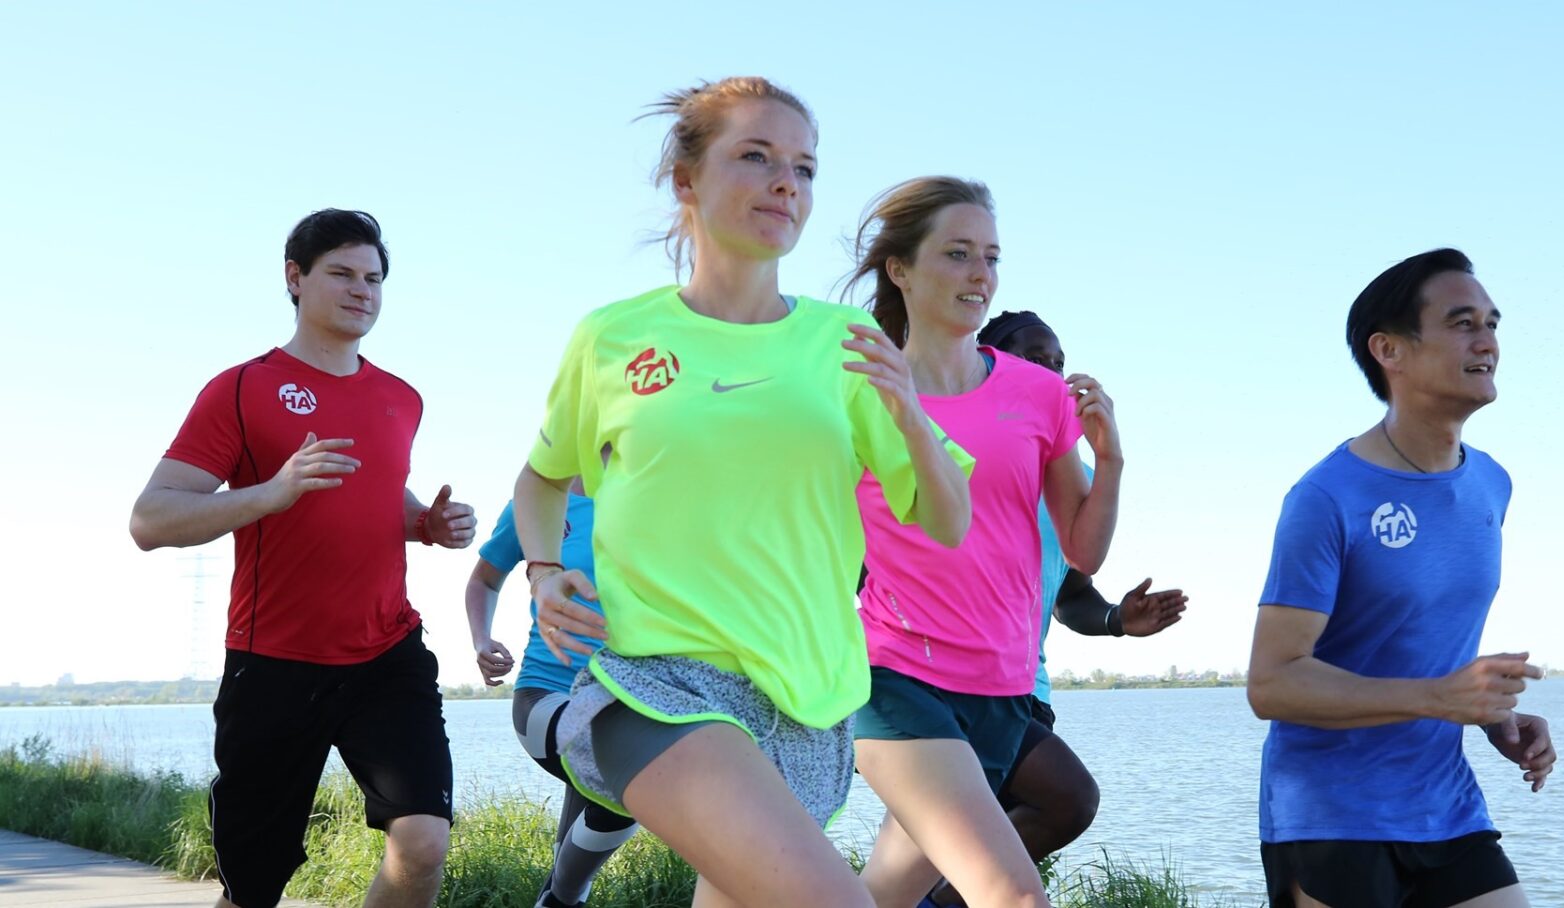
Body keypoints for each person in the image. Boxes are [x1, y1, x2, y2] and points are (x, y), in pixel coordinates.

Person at [513, 77, 973, 908]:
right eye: (756, 157)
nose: (785, 183)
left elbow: (947, 520)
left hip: (808, 702)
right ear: (686, 180)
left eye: (804, 167)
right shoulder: (613, 336)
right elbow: (542, 479)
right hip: (656, 682)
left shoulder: (846, 341)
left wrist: (909, 415)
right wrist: (543, 572)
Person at [129, 209, 476, 908]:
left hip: (387, 654)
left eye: (373, 278)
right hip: (275, 663)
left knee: (423, 843)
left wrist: (425, 524)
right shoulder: (241, 388)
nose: (362, 291)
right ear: (295, 277)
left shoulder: (400, 398)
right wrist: (271, 492)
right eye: (342, 274)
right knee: (252, 889)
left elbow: (372, 493)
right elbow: (150, 519)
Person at [1246, 249, 1557, 908]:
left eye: (1492, 324)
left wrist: (1487, 715)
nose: (1487, 342)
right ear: (1389, 350)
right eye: (1462, 323)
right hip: (1332, 818)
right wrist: (1438, 697)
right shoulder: (1325, 498)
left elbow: (1412, 642)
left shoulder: (1491, 483)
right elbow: (1272, 683)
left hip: (1446, 807)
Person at [845, 177, 1122, 908]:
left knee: (884, 894)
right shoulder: (860, 389)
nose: (980, 275)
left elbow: (1083, 553)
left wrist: (1112, 459)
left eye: (991, 257)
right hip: (895, 675)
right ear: (901, 269)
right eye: (958, 253)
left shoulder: (1038, 394)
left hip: (1002, 687)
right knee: (1013, 895)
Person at [887, 311, 1183, 908]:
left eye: (1058, 362)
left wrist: (1117, 620)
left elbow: (1070, 592)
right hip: (929, 681)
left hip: (1022, 690)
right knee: (1067, 799)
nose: (1051, 372)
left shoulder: (1074, 470)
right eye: (1033, 357)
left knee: (927, 865)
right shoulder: (954, 445)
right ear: (989, 364)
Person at [463, 454, 637, 908]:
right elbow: (484, 580)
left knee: (589, 821)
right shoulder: (538, 501)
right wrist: (482, 639)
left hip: (624, 702)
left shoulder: (655, 497)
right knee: (632, 785)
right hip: (547, 692)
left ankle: (559, 899)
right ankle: (561, 899)